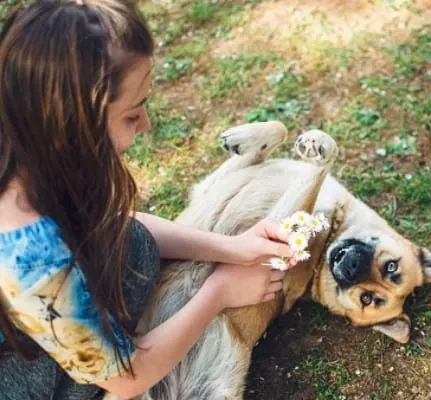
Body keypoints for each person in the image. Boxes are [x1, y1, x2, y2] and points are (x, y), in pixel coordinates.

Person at [0, 1, 294, 398]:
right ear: (72, 124)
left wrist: (234, 249)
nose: (147, 125)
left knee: (134, 245)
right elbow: (127, 377)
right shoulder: (31, 255)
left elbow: (116, 222)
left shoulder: (27, 144)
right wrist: (220, 292)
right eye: (132, 114)